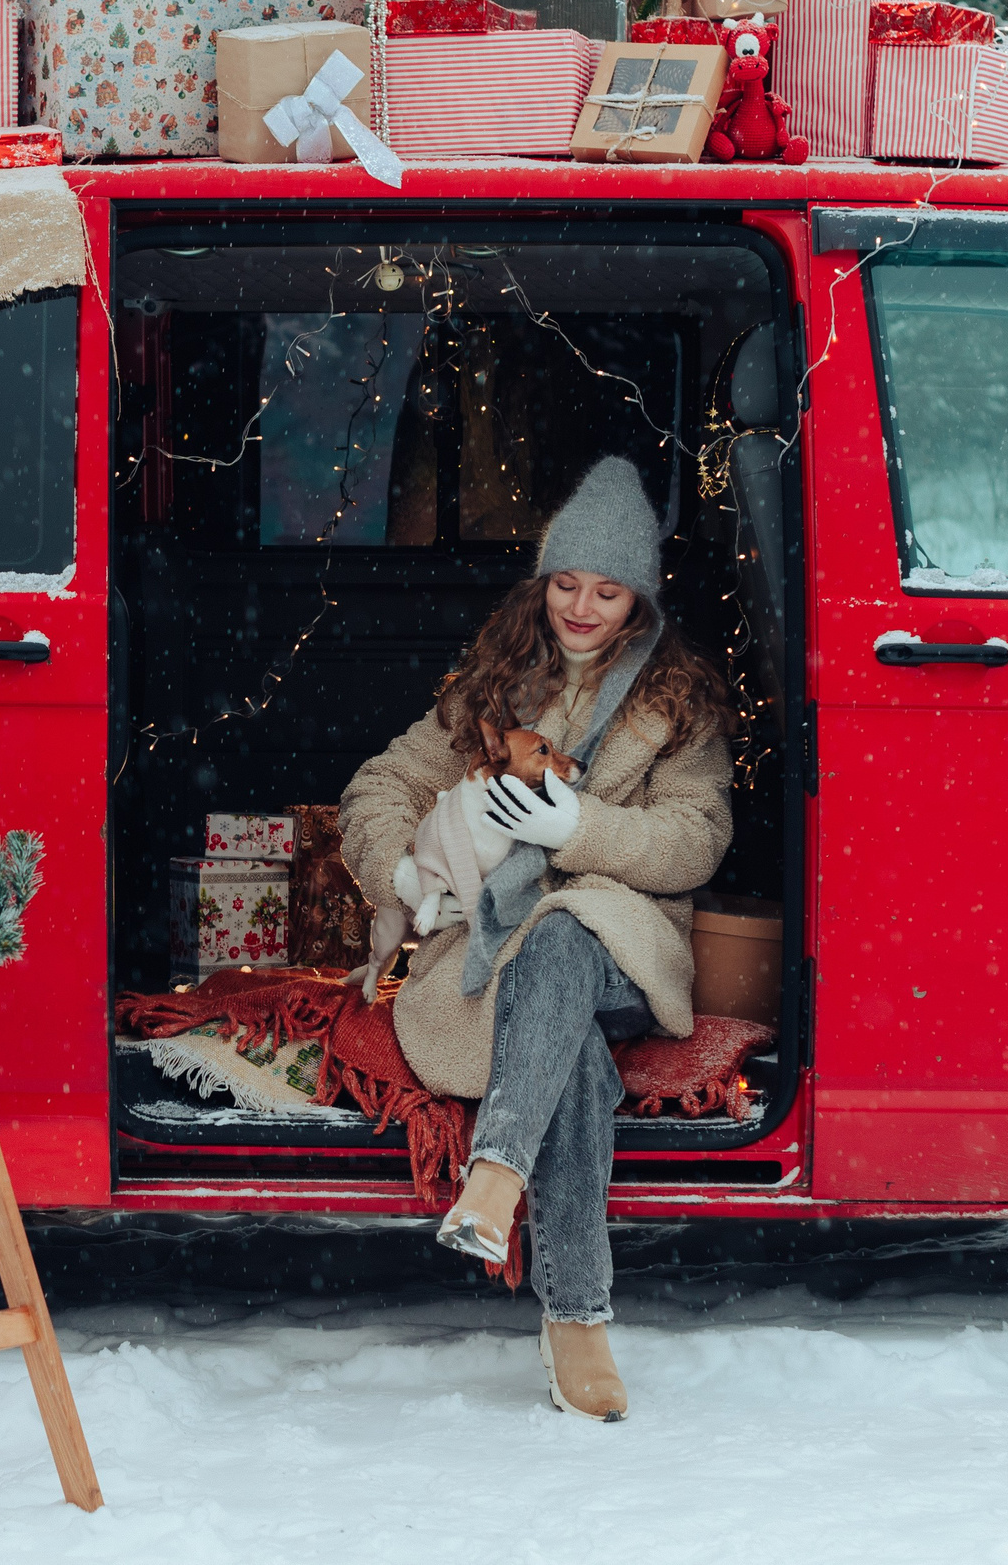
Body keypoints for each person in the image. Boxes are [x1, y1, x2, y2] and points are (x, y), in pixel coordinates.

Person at [338, 456, 733, 1422]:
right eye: (565, 583)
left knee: (564, 927)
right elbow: (379, 784)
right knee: (581, 1064)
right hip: (498, 945)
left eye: (607, 590)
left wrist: (575, 830)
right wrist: (397, 871)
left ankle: (496, 1173)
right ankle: (578, 1316)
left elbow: (697, 839)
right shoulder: (498, 684)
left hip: (625, 942)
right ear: (543, 581)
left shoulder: (678, 702)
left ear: (638, 598)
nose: (582, 607)